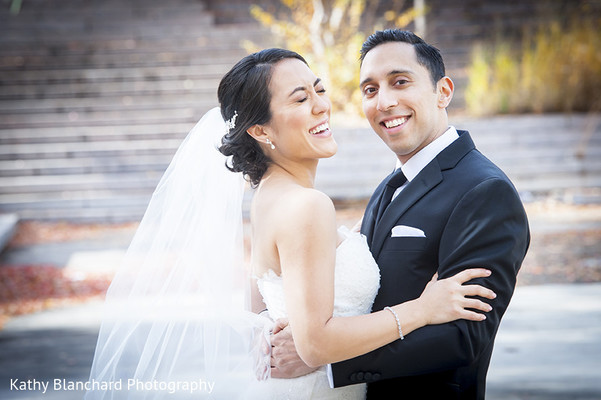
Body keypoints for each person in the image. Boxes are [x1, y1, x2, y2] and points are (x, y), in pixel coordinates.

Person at [85, 48, 496, 400]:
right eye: (300, 99)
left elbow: (260, 298)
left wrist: (268, 326)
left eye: (319, 89)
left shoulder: (267, 196)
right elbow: (315, 344)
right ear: (261, 129)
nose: (321, 105)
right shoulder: (307, 205)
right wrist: (422, 309)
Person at [271, 30, 530, 400]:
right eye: (370, 90)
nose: (385, 101)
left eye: (400, 82)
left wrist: (325, 360)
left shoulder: (485, 192)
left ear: (444, 91)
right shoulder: (389, 186)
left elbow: (464, 335)